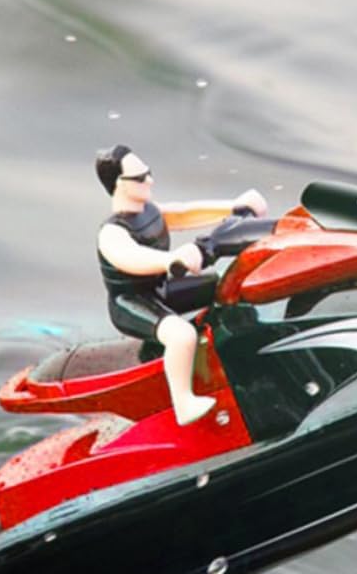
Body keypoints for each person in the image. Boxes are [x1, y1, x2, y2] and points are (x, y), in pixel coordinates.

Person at [95, 144, 269, 426]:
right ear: (119, 184)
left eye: (148, 173)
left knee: (227, 283)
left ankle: (233, 351)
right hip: (131, 303)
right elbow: (131, 257)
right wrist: (170, 259)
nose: (150, 181)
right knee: (181, 335)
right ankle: (184, 404)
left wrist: (234, 205)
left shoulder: (150, 212)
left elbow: (186, 213)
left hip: (161, 289)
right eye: (140, 178)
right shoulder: (112, 233)